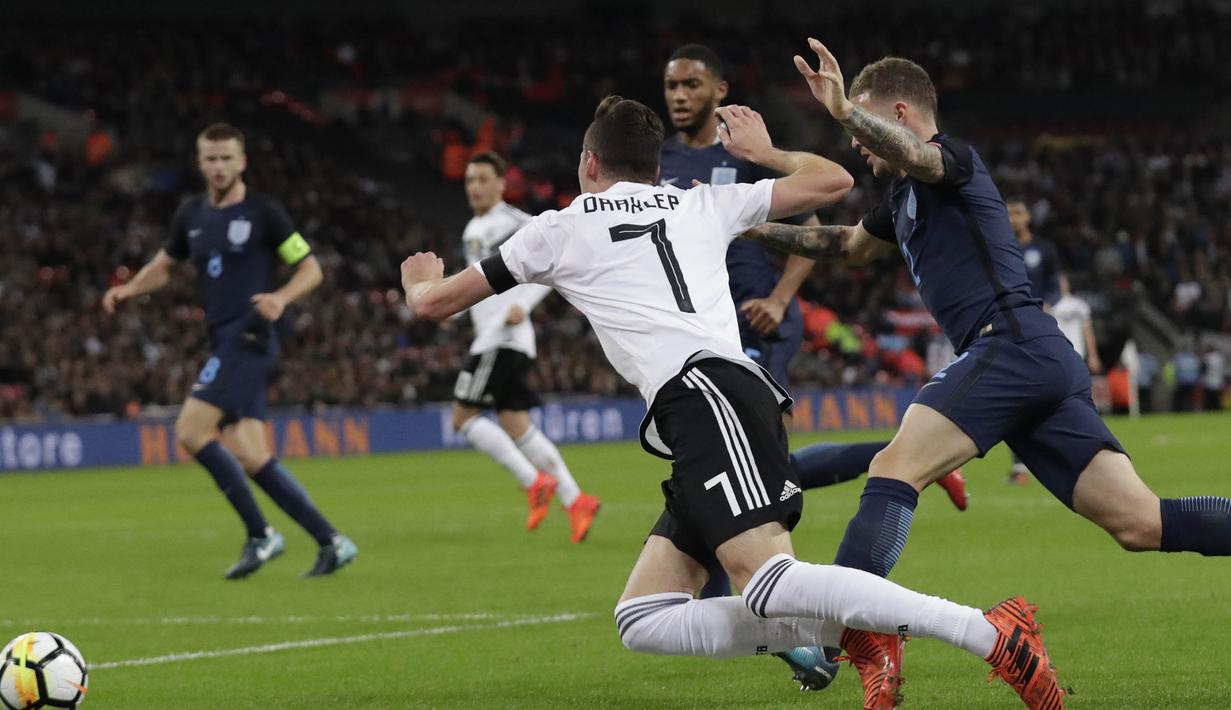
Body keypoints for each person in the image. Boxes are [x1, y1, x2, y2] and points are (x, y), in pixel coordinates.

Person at [400, 95, 1065, 710]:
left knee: (768, 580)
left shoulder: (556, 228)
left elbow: (433, 306)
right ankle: (849, 631)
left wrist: (421, 279)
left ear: (588, 164)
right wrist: (767, 153)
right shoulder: (694, 203)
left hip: (704, 394)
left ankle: (986, 632)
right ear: (654, 167)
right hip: (714, 397)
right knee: (645, 619)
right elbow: (833, 181)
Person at [742, 41, 1231, 605]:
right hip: (1036, 357)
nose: (854, 141)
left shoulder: (950, 157)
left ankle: (834, 634)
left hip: (1010, 344)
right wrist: (747, 226)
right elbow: (848, 245)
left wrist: (844, 110)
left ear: (899, 114)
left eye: (862, 121)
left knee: (894, 467)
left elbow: (922, 158)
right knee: (1140, 524)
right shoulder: (901, 196)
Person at [660, 46, 967, 681]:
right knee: (758, 477)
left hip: (753, 325)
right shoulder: (661, 163)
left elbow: (817, 220)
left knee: (729, 489)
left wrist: (777, 296)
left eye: (692, 83)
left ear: (720, 89)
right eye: (672, 86)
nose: (680, 95)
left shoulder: (737, 152)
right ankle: (902, 457)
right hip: (697, 336)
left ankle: (816, 643)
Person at [103, 123, 357, 579]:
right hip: (223, 338)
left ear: (242, 162)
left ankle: (261, 535)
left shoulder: (265, 213)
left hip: (250, 336)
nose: (219, 166)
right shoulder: (191, 214)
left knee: (189, 431)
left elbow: (311, 268)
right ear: (200, 163)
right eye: (211, 158)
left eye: (227, 158)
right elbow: (165, 265)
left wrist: (281, 297)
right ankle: (332, 542)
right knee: (249, 452)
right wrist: (130, 290)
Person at [450, 151, 601, 543]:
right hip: (500, 337)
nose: (475, 187)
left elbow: (555, 255)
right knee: (516, 423)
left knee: (463, 418)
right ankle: (576, 500)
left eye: (483, 179)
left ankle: (534, 482)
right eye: (470, 180)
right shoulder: (473, 228)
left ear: (502, 184)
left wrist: (524, 303)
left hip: (502, 337)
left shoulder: (516, 222)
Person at [1004, 199, 1065, 483]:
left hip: (1042, 323)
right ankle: (1020, 463)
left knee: (1044, 386)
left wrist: (1049, 304)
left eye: (1018, 212)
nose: (1013, 218)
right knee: (1013, 391)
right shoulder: (1000, 246)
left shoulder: (1043, 249)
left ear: (1028, 217)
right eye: (1009, 214)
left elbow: (1056, 284)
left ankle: (1054, 451)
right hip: (1008, 326)